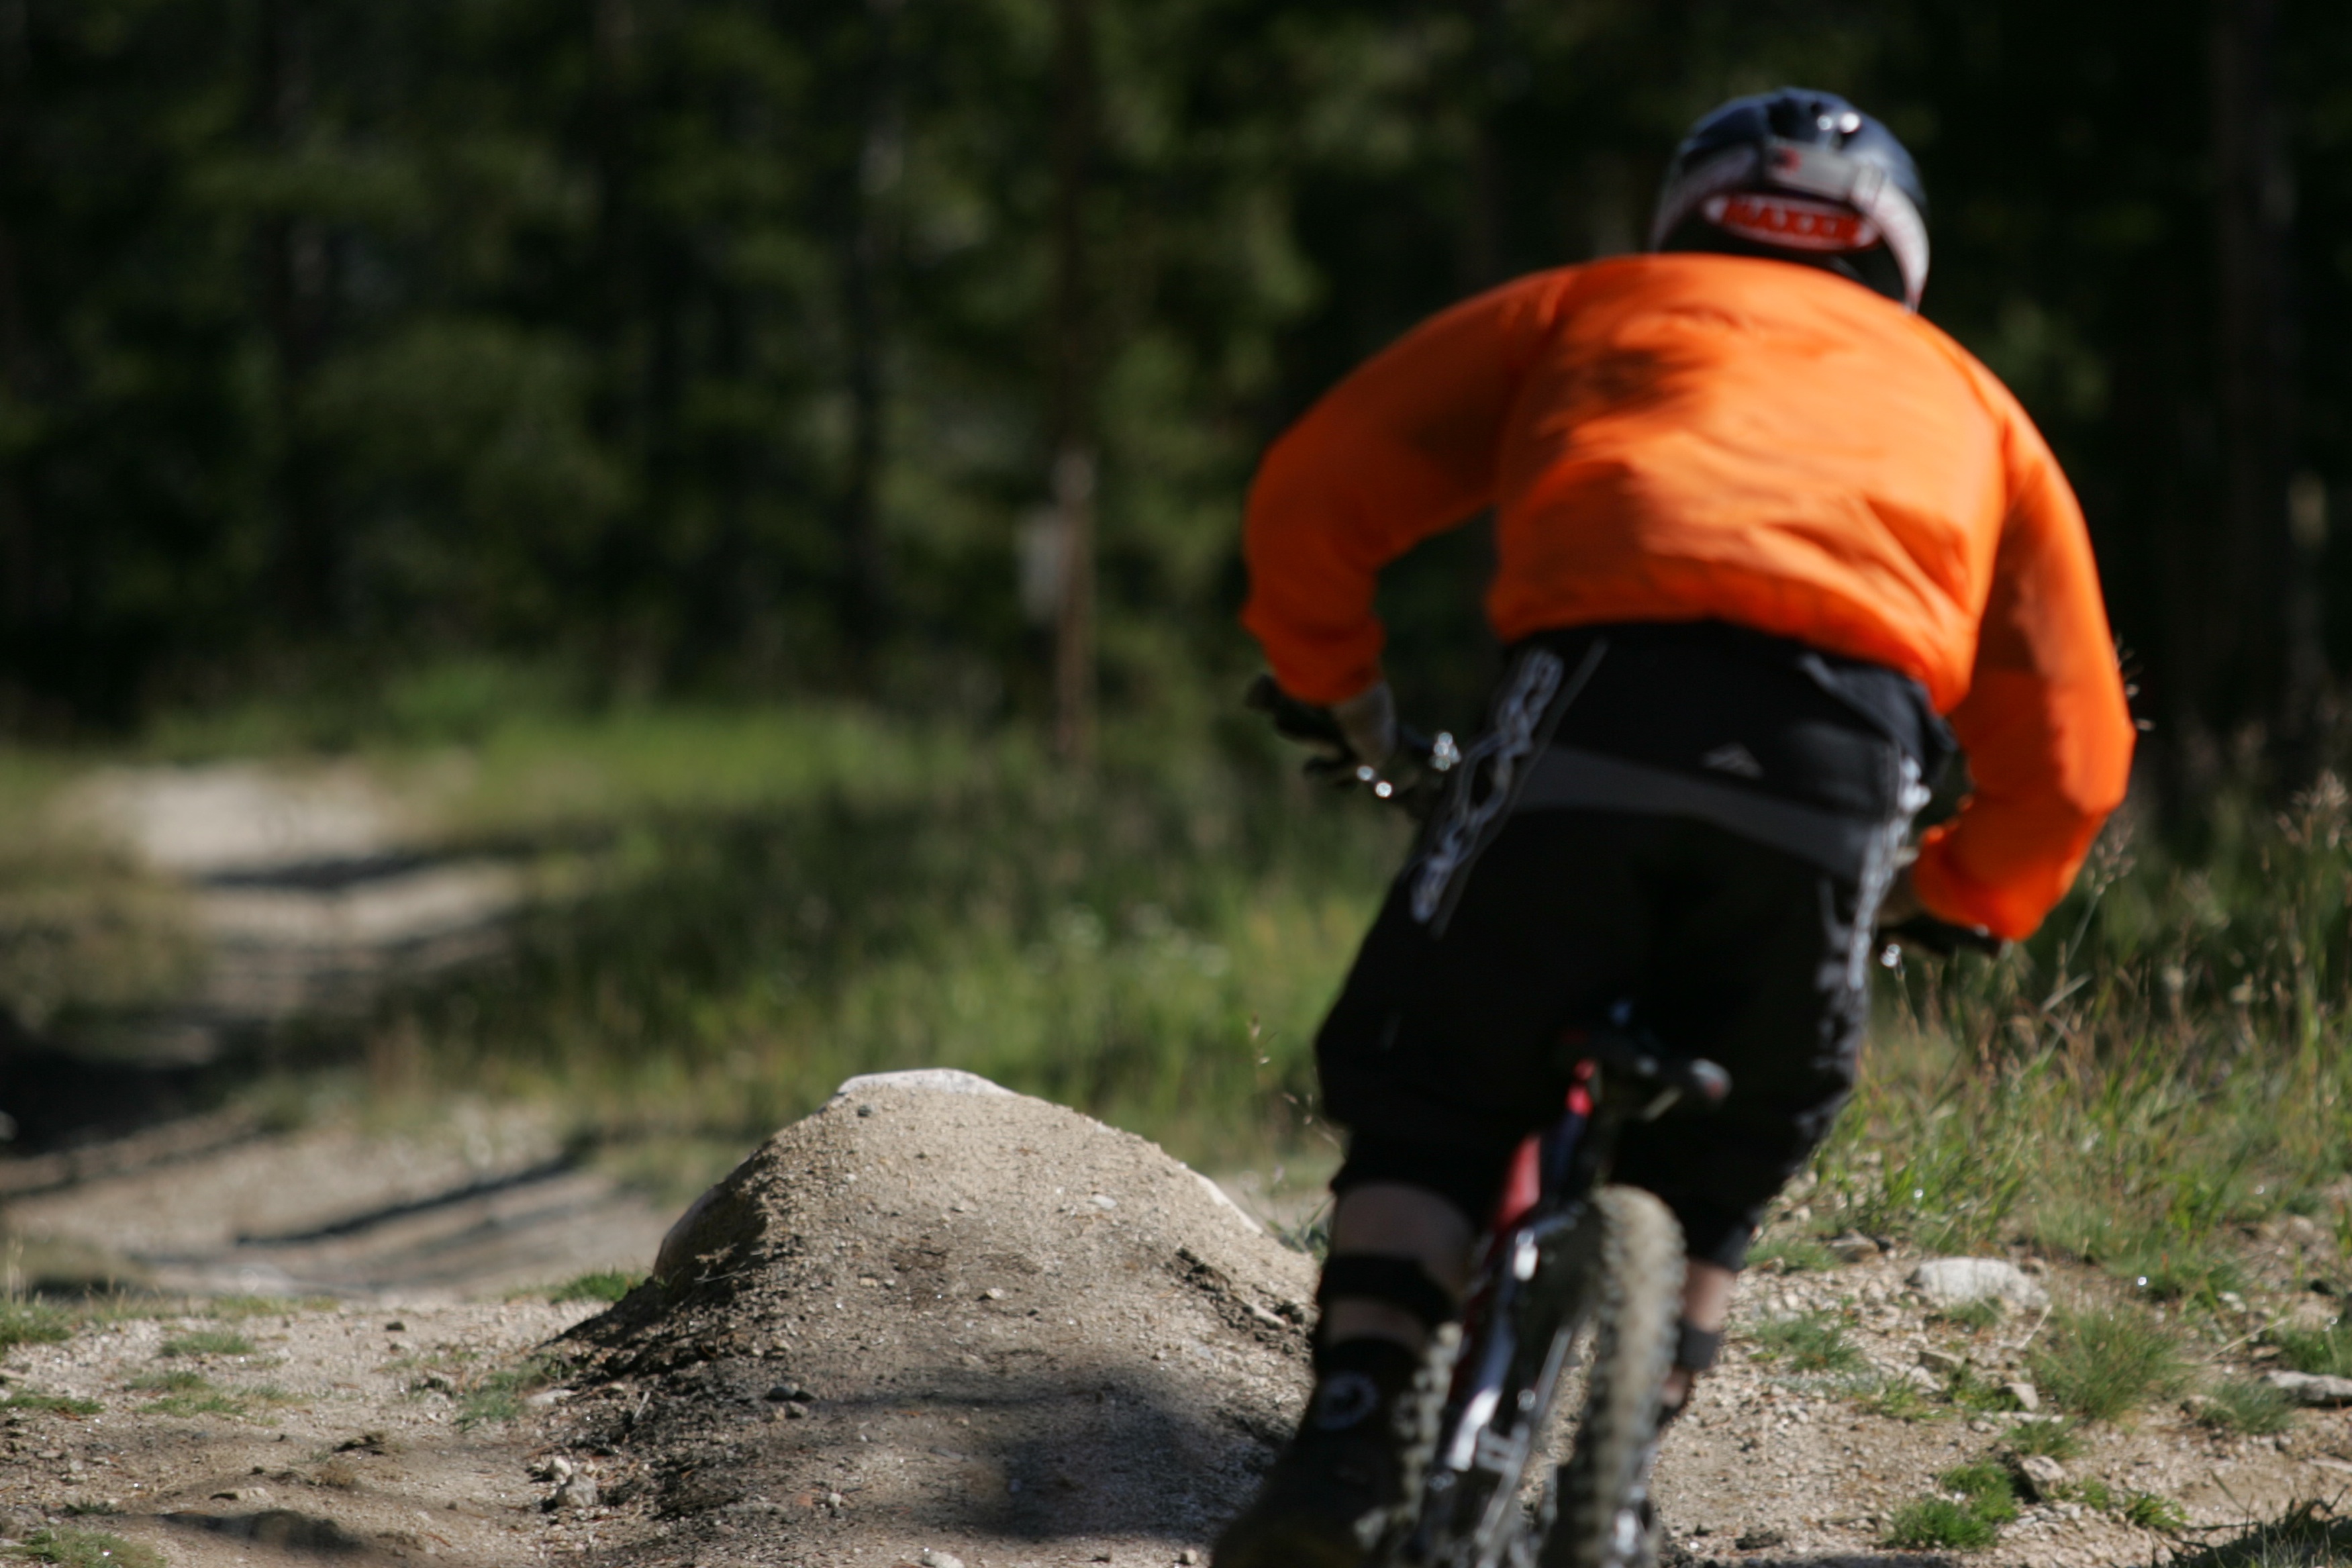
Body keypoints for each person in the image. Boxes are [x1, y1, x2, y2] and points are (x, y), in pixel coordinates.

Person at [1214, 87, 2135, 1567]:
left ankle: (1349, 1438)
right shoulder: (1973, 403)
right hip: (1841, 768)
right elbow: (2079, 750)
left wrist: (1340, 692)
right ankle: (1622, 1471)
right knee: (1731, 1139)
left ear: (1689, 215)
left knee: (1436, 1080)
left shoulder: (1592, 305)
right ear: (1894, 250)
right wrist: (1966, 891)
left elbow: (1317, 490)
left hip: (1594, 709)